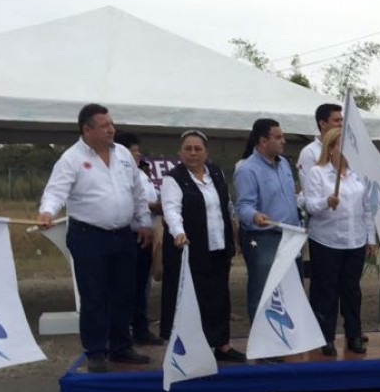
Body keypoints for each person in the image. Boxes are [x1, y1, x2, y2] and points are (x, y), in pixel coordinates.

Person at [38, 103, 154, 372]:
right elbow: (56, 191)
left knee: (124, 293)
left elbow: (137, 192)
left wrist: (145, 223)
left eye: (112, 124)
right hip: (88, 236)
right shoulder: (71, 158)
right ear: (87, 130)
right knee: (94, 297)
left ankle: (121, 346)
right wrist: (46, 212)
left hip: (123, 235)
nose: (111, 129)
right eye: (105, 126)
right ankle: (96, 351)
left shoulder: (124, 154)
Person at [160, 130, 244, 362]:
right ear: (180, 152)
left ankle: (222, 344)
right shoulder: (173, 179)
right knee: (191, 299)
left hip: (218, 246)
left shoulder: (215, 173)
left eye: (198, 149)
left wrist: (234, 237)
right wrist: (178, 232)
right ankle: (189, 348)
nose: (193, 153)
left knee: (219, 297)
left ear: (206, 152)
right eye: (188, 148)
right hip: (189, 248)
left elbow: (224, 207)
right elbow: (171, 210)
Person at [304, 127, 377, 356]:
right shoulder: (317, 173)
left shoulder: (358, 174)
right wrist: (327, 201)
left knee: (351, 290)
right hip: (327, 240)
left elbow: (368, 209)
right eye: (342, 146)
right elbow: (311, 206)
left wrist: (370, 238)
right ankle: (325, 337)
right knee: (326, 290)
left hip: (354, 240)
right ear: (331, 148)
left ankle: (353, 333)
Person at [234, 118, 299, 322]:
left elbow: (290, 197)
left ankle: (285, 338)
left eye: (283, 136)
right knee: (263, 291)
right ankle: (263, 346)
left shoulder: (284, 164)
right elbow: (242, 206)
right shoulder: (247, 169)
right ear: (263, 141)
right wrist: (254, 215)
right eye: (278, 137)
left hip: (290, 236)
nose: (284, 141)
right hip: (263, 239)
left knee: (289, 290)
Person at [115, 131, 164, 346]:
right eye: (134, 151)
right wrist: (154, 207)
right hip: (129, 235)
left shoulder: (141, 174)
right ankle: (123, 332)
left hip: (147, 234)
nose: (138, 154)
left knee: (142, 285)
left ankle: (141, 328)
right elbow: (134, 203)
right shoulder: (118, 173)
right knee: (126, 286)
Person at [296, 103, 343, 180]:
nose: (341, 124)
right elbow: (309, 186)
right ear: (323, 124)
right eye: (336, 120)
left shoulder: (346, 150)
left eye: (341, 120)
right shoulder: (309, 152)